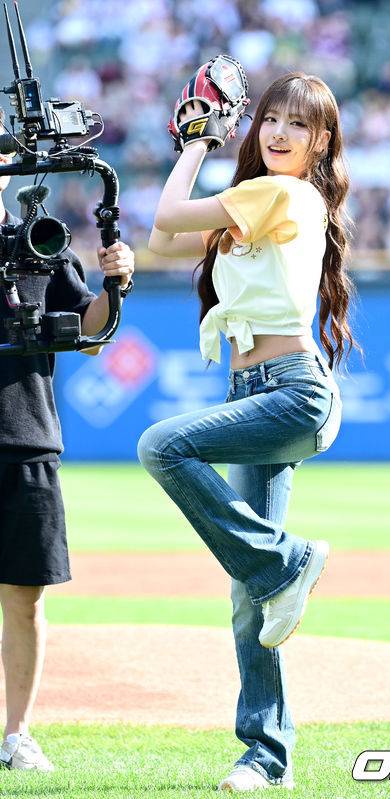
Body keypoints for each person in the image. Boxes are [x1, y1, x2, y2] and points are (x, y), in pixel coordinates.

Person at [139, 70, 357, 792]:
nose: (279, 133)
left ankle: (288, 561)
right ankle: (266, 755)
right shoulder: (255, 206)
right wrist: (199, 143)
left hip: (294, 393)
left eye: (299, 124)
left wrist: (194, 143)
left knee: (161, 445)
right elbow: (161, 239)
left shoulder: (282, 194)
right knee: (248, 596)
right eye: (270, 119)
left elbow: (169, 213)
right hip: (251, 392)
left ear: (322, 142)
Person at [0, 105, 135, 771]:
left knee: (24, 598)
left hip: (26, 437)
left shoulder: (38, 241)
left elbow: (89, 332)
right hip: (27, 441)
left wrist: (118, 278)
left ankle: (16, 734)